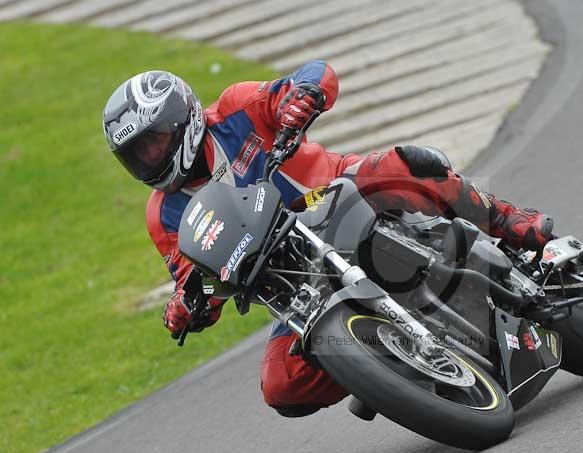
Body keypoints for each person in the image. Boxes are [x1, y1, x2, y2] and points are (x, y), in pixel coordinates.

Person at [102, 61, 553, 417]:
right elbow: (197, 277)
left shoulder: (236, 110)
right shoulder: (164, 217)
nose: (148, 160)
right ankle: (381, 370)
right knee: (281, 384)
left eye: (153, 143)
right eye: (136, 155)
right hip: (299, 284)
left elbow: (314, 74)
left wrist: (303, 97)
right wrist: (188, 307)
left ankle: (508, 220)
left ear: (183, 118)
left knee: (403, 166)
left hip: (337, 195)